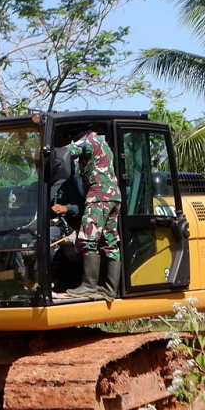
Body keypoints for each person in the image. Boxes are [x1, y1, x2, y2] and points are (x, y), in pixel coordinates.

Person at [65, 127, 121, 300]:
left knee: (88, 238)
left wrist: (47, 153)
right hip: (112, 196)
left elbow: (69, 151)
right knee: (110, 241)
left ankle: (89, 286)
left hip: (99, 196)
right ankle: (111, 289)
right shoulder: (103, 143)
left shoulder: (87, 141)